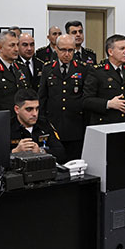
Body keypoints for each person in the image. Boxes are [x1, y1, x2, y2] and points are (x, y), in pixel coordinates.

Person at [38, 33, 86, 161]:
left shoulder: (83, 69)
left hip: (75, 126)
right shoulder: (48, 68)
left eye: (70, 50)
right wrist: (42, 122)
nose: (67, 54)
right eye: (63, 50)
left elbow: (86, 98)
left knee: (74, 162)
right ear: (56, 49)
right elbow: (42, 97)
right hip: (54, 125)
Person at [82, 34, 125, 125]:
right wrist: (109, 104)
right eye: (122, 49)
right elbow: (86, 101)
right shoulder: (97, 72)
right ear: (110, 52)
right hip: (105, 124)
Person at [10, 89, 67, 163]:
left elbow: (61, 153)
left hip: (43, 169)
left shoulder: (43, 124)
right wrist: (15, 152)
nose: (35, 114)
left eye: (37, 109)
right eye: (29, 109)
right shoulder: (6, 128)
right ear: (17, 109)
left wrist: (41, 152)